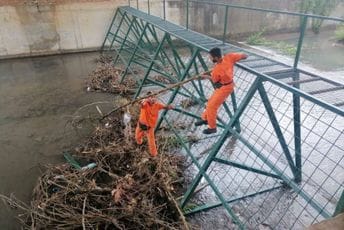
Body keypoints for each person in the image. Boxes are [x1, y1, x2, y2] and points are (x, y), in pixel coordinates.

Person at [195, 47, 248, 134]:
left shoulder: (217, 70)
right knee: (210, 102)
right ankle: (205, 118)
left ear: (215, 58)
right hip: (226, 85)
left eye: (211, 57)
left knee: (212, 107)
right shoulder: (229, 57)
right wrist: (244, 56)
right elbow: (244, 55)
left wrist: (205, 76)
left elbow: (214, 80)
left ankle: (212, 127)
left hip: (224, 88)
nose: (210, 58)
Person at [135, 92, 173, 157]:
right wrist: (141, 100)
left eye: (154, 97)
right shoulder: (145, 104)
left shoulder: (157, 105)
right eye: (151, 97)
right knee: (137, 137)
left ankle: (154, 154)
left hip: (150, 127)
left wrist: (169, 107)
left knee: (151, 142)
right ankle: (139, 143)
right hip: (141, 125)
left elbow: (165, 107)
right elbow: (140, 103)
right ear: (148, 98)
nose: (153, 99)